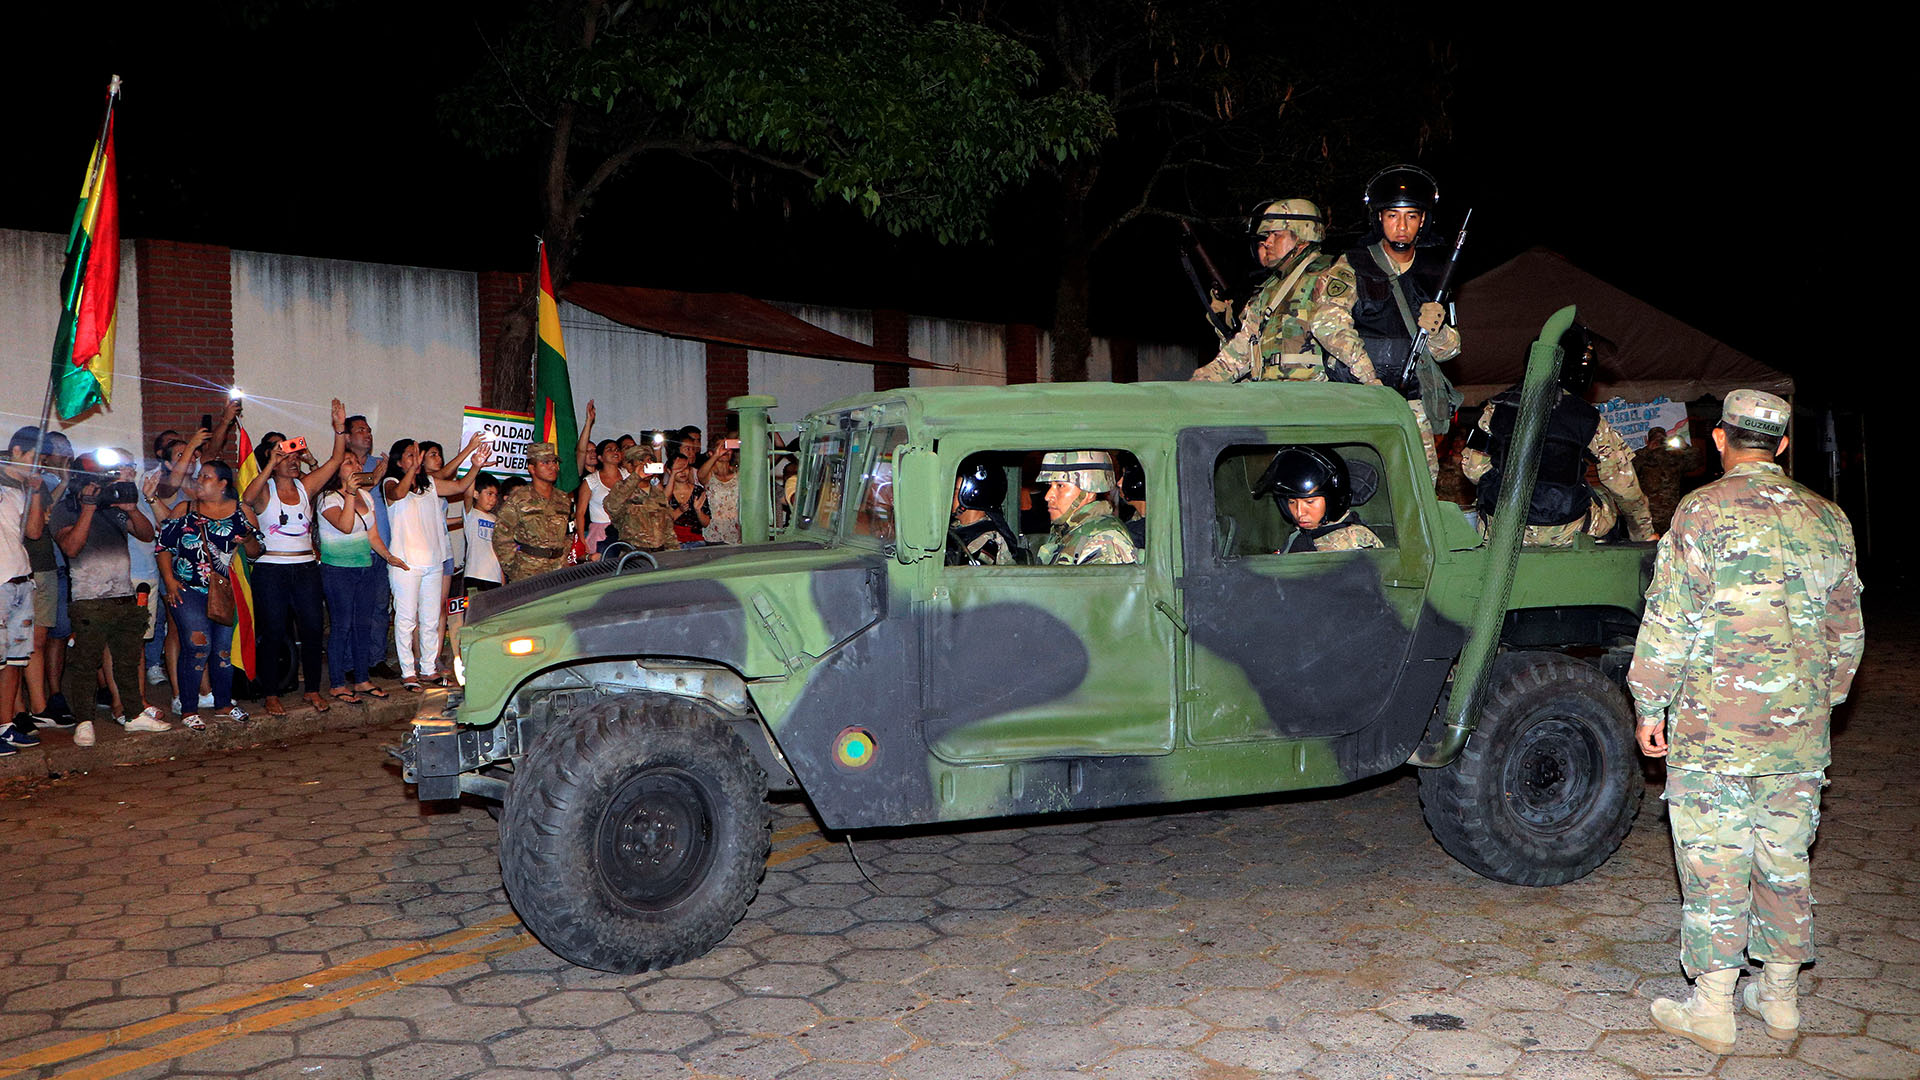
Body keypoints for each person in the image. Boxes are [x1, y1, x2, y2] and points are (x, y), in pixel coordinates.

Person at [1627, 390, 1865, 1055]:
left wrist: (1650, 703)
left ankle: (1712, 1008)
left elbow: (1668, 620)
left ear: (1720, 440)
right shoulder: (1829, 518)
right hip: (1796, 732)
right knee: (1785, 861)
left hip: (1711, 732)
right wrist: (1817, 703)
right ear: (1784, 445)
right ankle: (1781, 1001)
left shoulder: (1699, 512)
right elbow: (1848, 635)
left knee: (1714, 862)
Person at [1309, 165, 1462, 481]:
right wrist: (1371, 380)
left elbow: (1450, 351)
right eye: (1392, 215)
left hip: (1413, 406)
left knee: (1419, 488)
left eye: (1411, 216)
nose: (1401, 226)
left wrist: (1437, 332)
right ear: (1379, 218)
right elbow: (1328, 323)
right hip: (1359, 398)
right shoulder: (1354, 263)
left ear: (1423, 221)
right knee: (1355, 482)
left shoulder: (1436, 274)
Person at [1459, 325, 1655, 546]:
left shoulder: (1497, 407)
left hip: (1504, 529)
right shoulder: (1590, 418)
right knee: (1604, 497)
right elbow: (1624, 487)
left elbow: (1473, 471)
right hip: (1566, 530)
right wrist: (1643, 534)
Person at [242, 400, 349, 715]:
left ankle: (313, 690)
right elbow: (247, 498)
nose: (291, 460)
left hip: (304, 568)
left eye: (292, 454)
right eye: (283, 455)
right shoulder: (265, 491)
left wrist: (339, 428)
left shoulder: (305, 487)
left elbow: (335, 459)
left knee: (313, 628)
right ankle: (271, 693)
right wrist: (269, 465)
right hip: (271, 569)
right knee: (273, 631)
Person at [53, 449, 159, 742]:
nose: (102, 484)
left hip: (124, 594)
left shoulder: (113, 507)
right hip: (88, 600)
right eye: (97, 479)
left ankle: (134, 714)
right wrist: (87, 508)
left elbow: (147, 535)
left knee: (127, 660)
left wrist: (131, 508)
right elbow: (71, 548)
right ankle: (84, 722)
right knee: (86, 663)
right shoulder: (66, 509)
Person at [1190, 199, 1357, 384]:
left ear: (1302, 236)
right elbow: (1235, 357)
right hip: (1271, 396)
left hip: (1313, 398)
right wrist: (1193, 387)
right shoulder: (1269, 290)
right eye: (1266, 235)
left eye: (1276, 235)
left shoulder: (1329, 273)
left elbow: (1341, 336)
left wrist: (1372, 382)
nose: (1267, 242)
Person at [154, 460, 264, 731]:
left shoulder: (242, 512)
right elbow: (164, 546)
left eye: (206, 476)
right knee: (197, 647)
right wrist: (169, 581)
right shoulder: (185, 509)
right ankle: (189, 707)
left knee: (223, 650)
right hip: (187, 589)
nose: (199, 480)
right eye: (200, 476)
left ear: (223, 484)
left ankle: (224, 704)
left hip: (226, 591)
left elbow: (256, 551)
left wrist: (247, 539)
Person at [318, 451, 409, 703]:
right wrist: (349, 493)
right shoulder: (328, 499)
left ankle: (361, 679)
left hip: (365, 567)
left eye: (357, 462)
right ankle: (337, 683)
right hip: (338, 571)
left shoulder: (367, 496)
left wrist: (389, 557)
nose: (356, 465)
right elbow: (346, 526)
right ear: (337, 471)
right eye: (349, 462)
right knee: (342, 626)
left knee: (363, 625)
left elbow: (373, 536)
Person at [0, 429, 51, 752]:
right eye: (34, 458)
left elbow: (33, 531)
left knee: (16, 661)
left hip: (21, 580)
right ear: (16, 451)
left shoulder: (22, 489)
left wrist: (34, 493)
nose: (37, 466)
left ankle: (6, 725)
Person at [1252, 446, 1383, 553]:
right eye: (1292, 502)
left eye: (1310, 502)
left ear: (1333, 500)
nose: (1300, 513)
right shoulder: (1302, 535)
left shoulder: (1353, 541)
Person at [1034, 452, 1136, 566]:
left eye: (1060, 486)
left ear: (1088, 492)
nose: (1048, 496)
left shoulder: (1105, 539)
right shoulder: (1068, 531)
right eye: (1049, 485)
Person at [492, 443, 576, 581]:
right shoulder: (519, 499)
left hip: (558, 570)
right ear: (532, 468)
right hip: (528, 571)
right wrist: (514, 568)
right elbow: (501, 536)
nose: (553, 467)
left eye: (554, 462)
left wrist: (562, 557)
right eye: (545, 462)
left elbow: (569, 532)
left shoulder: (563, 499)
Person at [603, 445, 680, 554]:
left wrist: (674, 553)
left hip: (659, 555)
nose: (646, 464)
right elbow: (611, 506)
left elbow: (668, 530)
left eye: (650, 461)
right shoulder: (623, 490)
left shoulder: (658, 494)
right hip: (634, 555)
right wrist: (636, 477)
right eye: (641, 461)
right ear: (630, 466)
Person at [947, 460, 1023, 566]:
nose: (950, 496)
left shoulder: (988, 541)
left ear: (970, 496)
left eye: (955, 491)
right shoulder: (954, 530)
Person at [1634, 424, 1689, 531]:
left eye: (1661, 439)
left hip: (1671, 510)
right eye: (1655, 439)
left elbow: (1696, 461)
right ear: (1648, 441)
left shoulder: (1675, 456)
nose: (1658, 442)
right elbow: (1629, 468)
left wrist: (1684, 447)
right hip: (1648, 512)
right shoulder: (1643, 456)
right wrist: (1647, 450)